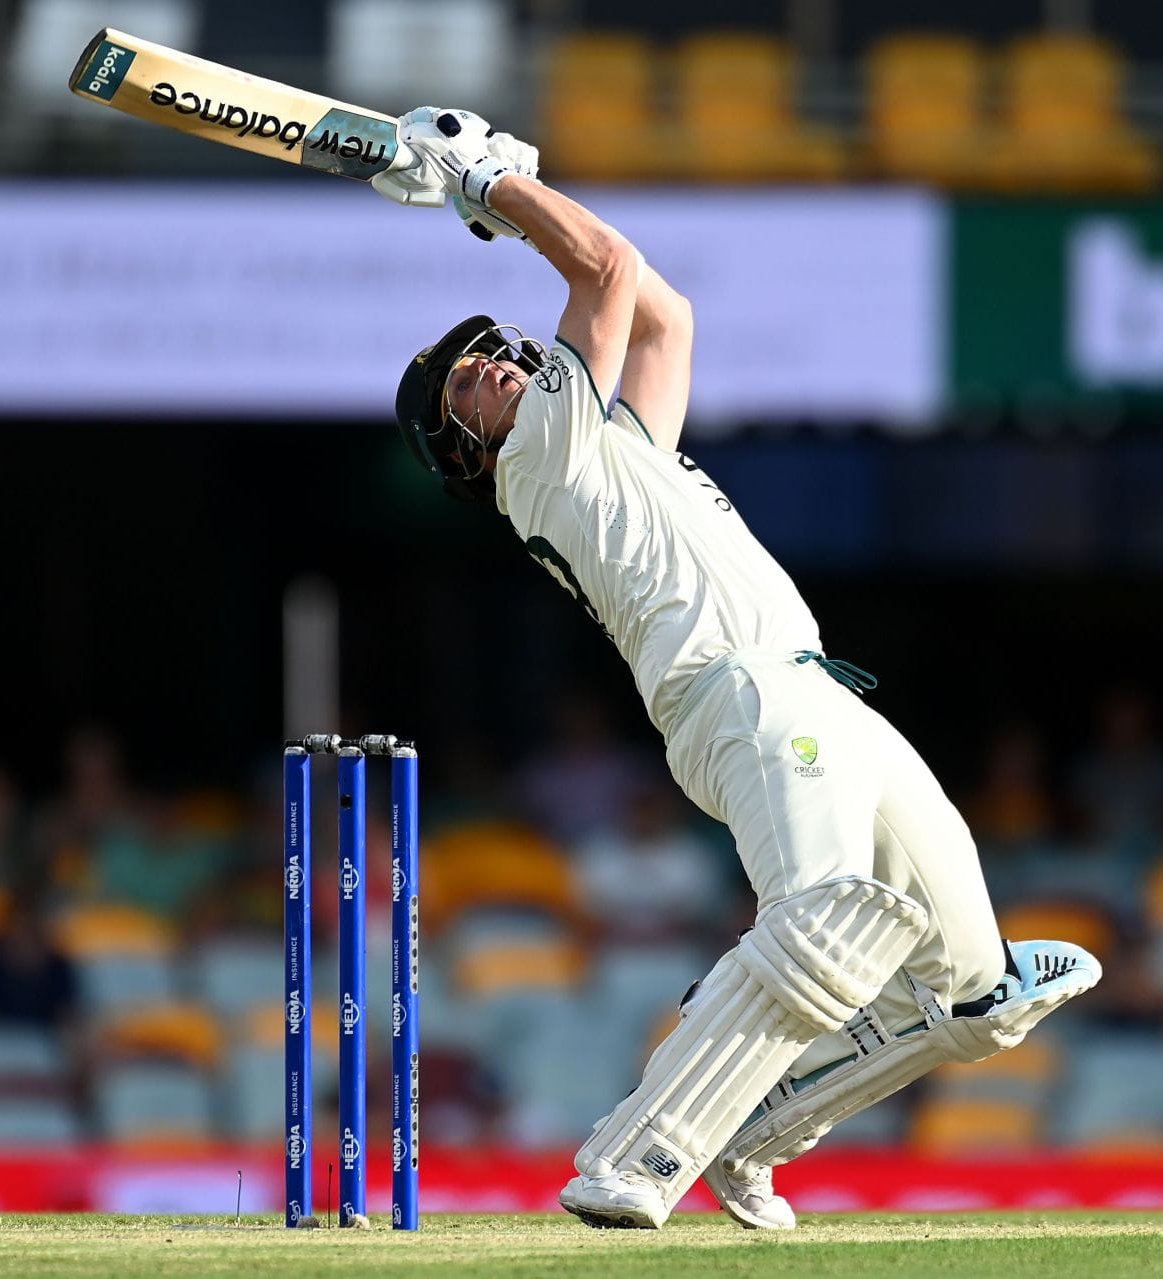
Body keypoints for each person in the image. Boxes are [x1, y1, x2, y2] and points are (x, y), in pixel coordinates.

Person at [379, 110, 1102, 1231]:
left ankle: (757, 1134)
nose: (487, 366)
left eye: (484, 354)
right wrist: (492, 185)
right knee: (822, 923)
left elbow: (663, 312)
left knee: (978, 993)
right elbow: (604, 268)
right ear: (467, 453)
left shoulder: (618, 449)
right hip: (738, 694)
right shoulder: (540, 463)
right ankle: (633, 1156)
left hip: (820, 692)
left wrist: (507, 188)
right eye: (461, 386)